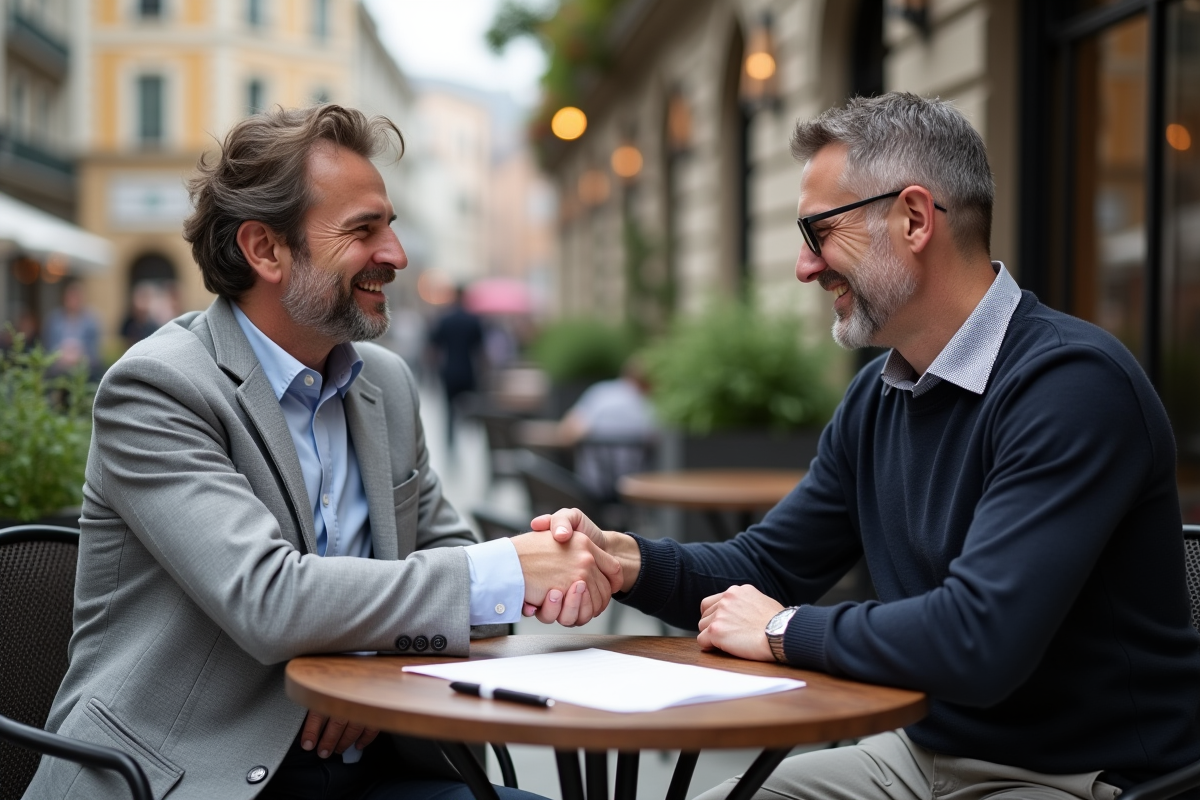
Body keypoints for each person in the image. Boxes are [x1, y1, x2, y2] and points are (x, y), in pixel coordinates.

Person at [533, 93, 1200, 800]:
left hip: (1083, 779)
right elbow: (767, 566)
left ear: (914, 219)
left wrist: (784, 631)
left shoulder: (1070, 385)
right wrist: (625, 561)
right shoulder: (880, 394)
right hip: (916, 757)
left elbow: (980, 640)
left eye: (818, 231)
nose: (804, 267)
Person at [25, 105, 620, 800]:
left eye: (390, 225)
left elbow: (451, 559)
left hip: (372, 757)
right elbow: (269, 597)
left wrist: (368, 671)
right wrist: (513, 571)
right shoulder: (158, 388)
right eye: (364, 230)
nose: (396, 254)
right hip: (187, 772)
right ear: (265, 250)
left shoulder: (386, 385)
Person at [557, 357, 659, 501]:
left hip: (593, 486)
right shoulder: (652, 407)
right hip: (637, 488)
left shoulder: (602, 393)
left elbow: (566, 433)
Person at [429, 286, 483, 448]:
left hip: (449, 371)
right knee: (470, 408)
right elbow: (480, 351)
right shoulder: (473, 320)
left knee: (449, 411)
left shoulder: (445, 319)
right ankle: (471, 442)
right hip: (468, 371)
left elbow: (433, 348)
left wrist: (433, 374)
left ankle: (450, 443)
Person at [42, 279, 102, 380]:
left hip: (85, 370)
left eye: (77, 297)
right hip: (59, 368)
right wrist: (62, 355)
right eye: (71, 297)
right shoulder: (54, 319)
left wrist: (79, 355)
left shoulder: (91, 321)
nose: (73, 301)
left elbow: (95, 351)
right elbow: (48, 346)